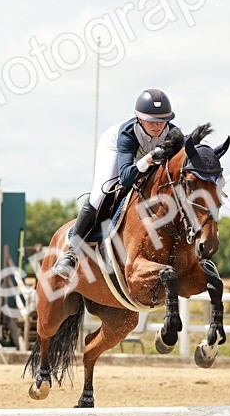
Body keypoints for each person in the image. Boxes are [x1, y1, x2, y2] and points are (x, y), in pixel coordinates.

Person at [50, 88, 179, 279]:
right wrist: (149, 158)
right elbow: (126, 177)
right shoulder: (128, 134)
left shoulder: (174, 135)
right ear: (139, 119)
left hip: (146, 157)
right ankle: (71, 253)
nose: (158, 126)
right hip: (115, 149)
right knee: (102, 193)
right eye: (152, 121)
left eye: (162, 120)